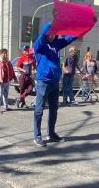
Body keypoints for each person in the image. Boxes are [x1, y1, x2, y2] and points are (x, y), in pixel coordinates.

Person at [32, 10, 77, 147]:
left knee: (54, 109)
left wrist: (84, 26)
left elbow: (70, 37)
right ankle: (37, 136)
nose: (52, 36)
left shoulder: (56, 45)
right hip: (43, 83)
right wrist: (54, 20)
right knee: (39, 110)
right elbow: (42, 34)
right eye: (50, 33)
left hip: (54, 83)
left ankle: (51, 133)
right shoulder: (39, 46)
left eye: (54, 33)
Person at [0, 48, 17, 113]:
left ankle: (6, 107)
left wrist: (14, 77)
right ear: (0, 54)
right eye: (4, 53)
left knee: (6, 94)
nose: (5, 54)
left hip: (7, 81)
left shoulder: (8, 62)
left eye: (6, 53)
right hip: (0, 81)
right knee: (0, 94)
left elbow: (11, 70)